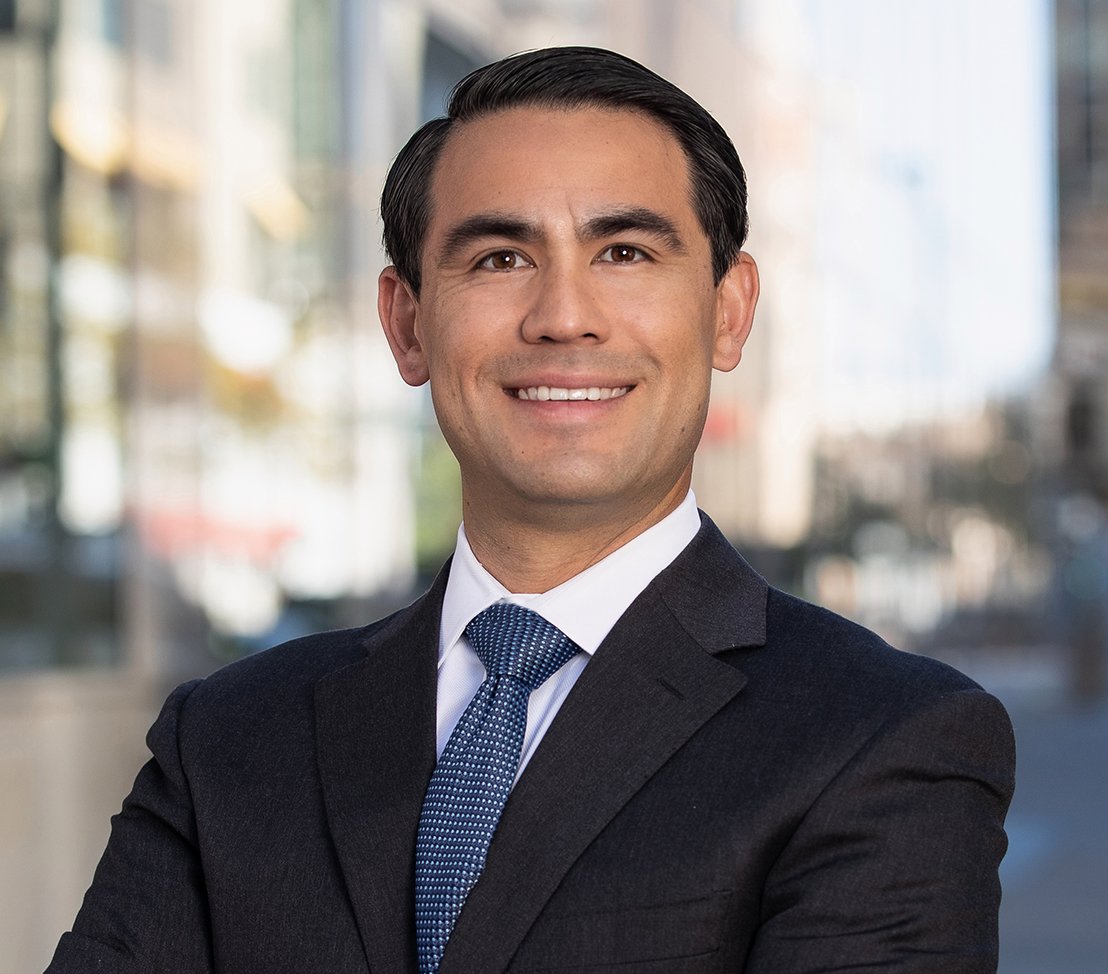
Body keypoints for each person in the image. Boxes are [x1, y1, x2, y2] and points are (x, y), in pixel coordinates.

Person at [47, 47, 1015, 974]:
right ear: (407, 323)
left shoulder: (881, 737)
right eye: (501, 258)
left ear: (728, 311)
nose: (563, 316)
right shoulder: (226, 739)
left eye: (624, 252)